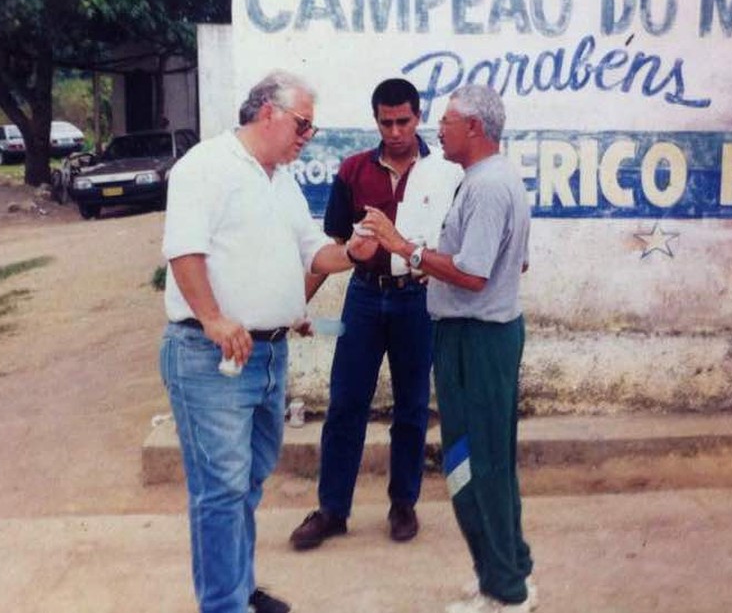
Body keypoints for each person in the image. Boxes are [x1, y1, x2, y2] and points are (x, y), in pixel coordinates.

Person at [159, 69, 378, 613]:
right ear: (267, 113)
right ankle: (224, 605)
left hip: (269, 356)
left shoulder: (281, 181)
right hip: (212, 358)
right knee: (220, 491)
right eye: (303, 124)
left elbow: (313, 253)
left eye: (313, 128)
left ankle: (240, 588)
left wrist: (352, 251)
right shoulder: (205, 168)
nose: (308, 136)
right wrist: (212, 318)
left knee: (247, 483)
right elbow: (184, 251)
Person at [362, 84, 537, 613]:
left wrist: (405, 250)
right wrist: (435, 266)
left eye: (447, 121)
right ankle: (508, 572)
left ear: (475, 129)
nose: (438, 129)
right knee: (491, 460)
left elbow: (474, 275)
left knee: (472, 464)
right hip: (484, 336)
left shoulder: (486, 188)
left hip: (474, 340)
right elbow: (512, 264)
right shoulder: (491, 178)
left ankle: (503, 592)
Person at [289, 78, 462, 551]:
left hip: (417, 301)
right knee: (345, 402)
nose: (395, 131)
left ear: (418, 116)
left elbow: (459, 241)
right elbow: (333, 249)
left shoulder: (445, 172)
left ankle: (403, 503)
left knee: (410, 407)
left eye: (403, 121)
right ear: (376, 121)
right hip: (363, 299)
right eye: (386, 122)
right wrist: (295, 303)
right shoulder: (352, 171)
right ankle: (332, 510)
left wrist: (440, 275)